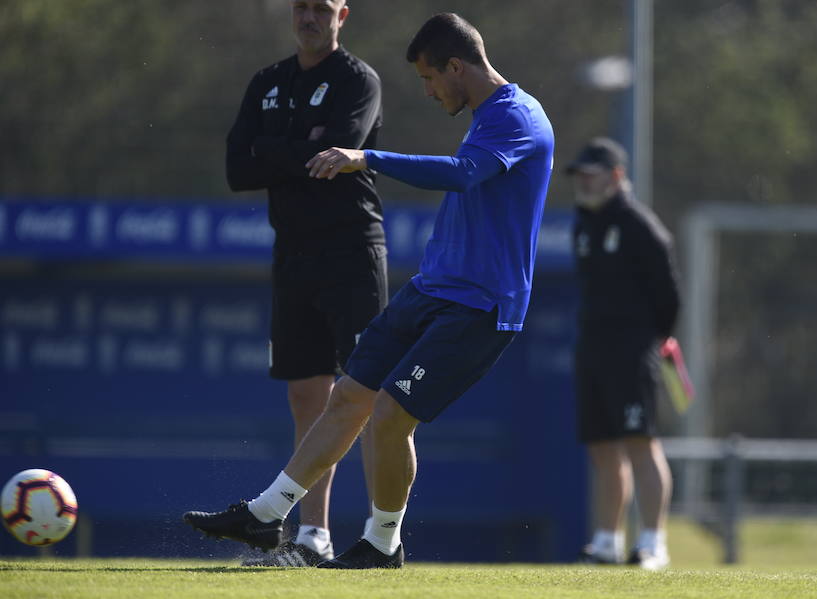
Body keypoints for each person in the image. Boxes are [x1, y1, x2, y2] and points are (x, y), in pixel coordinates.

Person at [184, 12, 554, 569]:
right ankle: (266, 514)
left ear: (456, 66)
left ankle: (382, 543)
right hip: (432, 289)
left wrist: (367, 157)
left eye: (430, 79)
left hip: (482, 305)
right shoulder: (485, 113)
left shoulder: (519, 115)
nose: (428, 92)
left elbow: (461, 174)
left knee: (390, 415)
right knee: (348, 397)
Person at [223, 0, 386, 567]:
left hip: (351, 251)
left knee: (366, 394)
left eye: (322, 7)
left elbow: (334, 157)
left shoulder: (357, 80)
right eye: (301, 7)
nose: (309, 17)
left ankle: (381, 534)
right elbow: (236, 169)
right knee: (304, 395)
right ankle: (313, 534)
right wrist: (299, 150)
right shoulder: (268, 81)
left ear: (344, 13)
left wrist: (277, 151)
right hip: (293, 254)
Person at [567, 138, 680, 571]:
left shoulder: (639, 225)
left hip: (634, 352)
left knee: (640, 443)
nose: (583, 182)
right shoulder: (584, 224)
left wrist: (650, 342)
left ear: (615, 176)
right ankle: (606, 542)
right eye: (579, 175)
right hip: (592, 349)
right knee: (601, 449)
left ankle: (653, 543)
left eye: (591, 174)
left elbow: (668, 298)